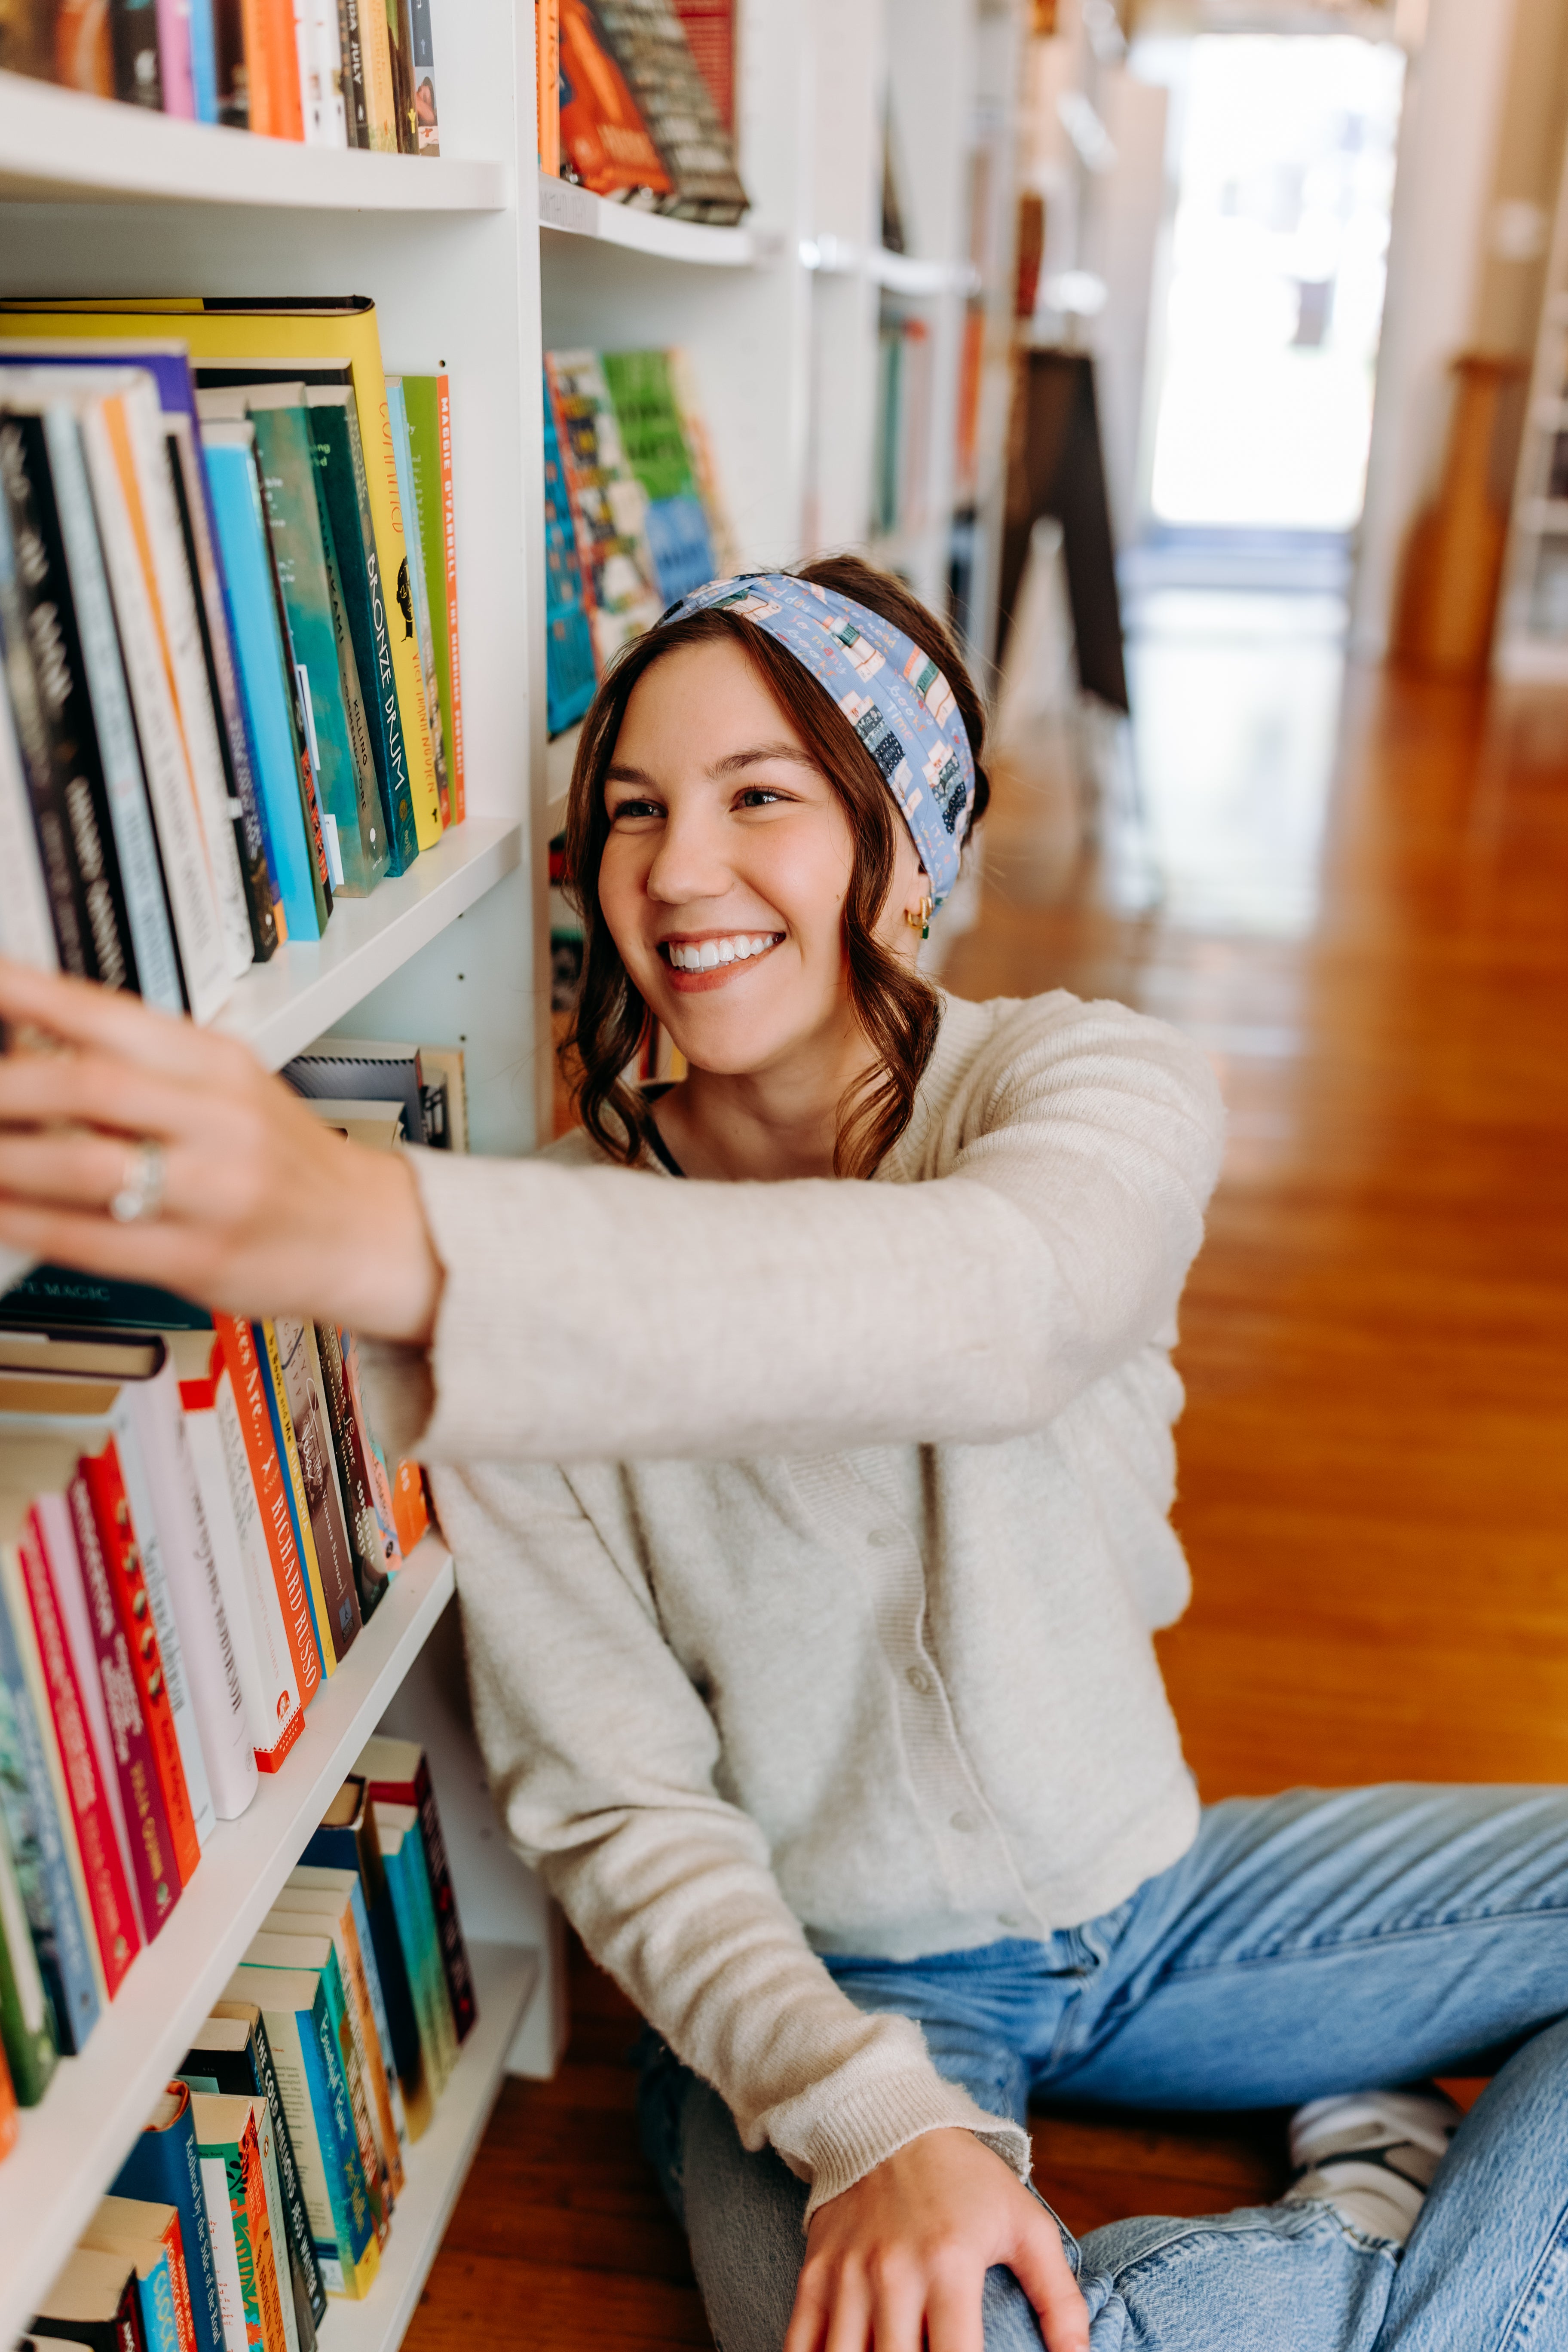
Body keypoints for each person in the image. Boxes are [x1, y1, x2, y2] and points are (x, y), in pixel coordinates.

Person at [0, 557, 1564, 2352]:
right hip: (821, 2001)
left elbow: (997, 1309)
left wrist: (395, 1239)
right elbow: (620, 1802)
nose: (677, 870)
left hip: (1147, 1900)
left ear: (906, 858)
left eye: (763, 797)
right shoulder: (526, 1264)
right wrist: (867, 2111)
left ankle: (1385, 2221)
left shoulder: (1093, 1091)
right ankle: (1403, 2204)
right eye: (635, 811)